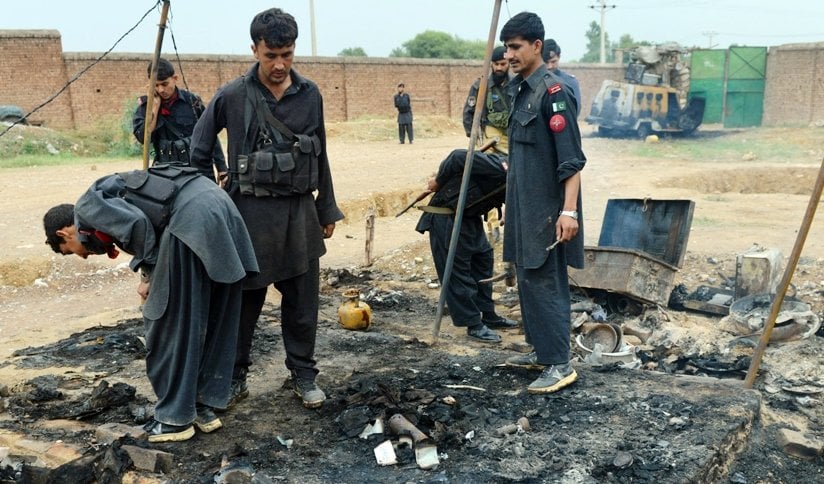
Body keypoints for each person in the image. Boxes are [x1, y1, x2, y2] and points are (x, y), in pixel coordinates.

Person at [188, 8, 344, 410]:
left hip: (298, 214)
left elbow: (320, 152)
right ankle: (235, 376)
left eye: (287, 54)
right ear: (254, 48)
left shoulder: (309, 94)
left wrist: (326, 209)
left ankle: (304, 375)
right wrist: (212, 209)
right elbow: (199, 152)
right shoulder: (232, 95)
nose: (279, 64)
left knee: (303, 304)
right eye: (271, 54)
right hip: (248, 217)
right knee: (241, 306)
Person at [42, 165, 259, 443]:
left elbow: (139, 228)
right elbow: (145, 224)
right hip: (219, 206)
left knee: (168, 322)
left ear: (64, 234)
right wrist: (149, 273)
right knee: (213, 313)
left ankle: (174, 419)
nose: (83, 257)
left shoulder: (87, 207)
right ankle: (203, 405)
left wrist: (151, 277)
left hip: (191, 217)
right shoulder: (105, 195)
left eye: (72, 252)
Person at [498, 12, 586, 394]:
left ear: (537, 46)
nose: (509, 54)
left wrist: (568, 211)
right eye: (506, 47)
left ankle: (560, 363)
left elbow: (572, 160)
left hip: (548, 209)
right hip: (523, 206)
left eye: (516, 46)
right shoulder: (521, 90)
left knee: (546, 281)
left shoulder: (553, 93)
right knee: (528, 279)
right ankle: (541, 351)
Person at [415, 149, 519, 343]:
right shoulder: (500, 167)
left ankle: (488, 315)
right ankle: (473, 325)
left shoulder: (522, 176)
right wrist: (437, 182)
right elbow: (457, 157)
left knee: (483, 260)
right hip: (447, 217)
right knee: (458, 271)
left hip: (470, 218)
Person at [132, 58, 225, 171]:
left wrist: (222, 168)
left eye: (164, 84)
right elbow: (143, 138)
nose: (161, 90)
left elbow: (209, 134)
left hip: (196, 168)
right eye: (156, 85)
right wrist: (154, 108)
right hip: (165, 170)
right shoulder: (146, 108)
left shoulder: (192, 101)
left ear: (175, 79)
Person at [462, 45, 512, 153]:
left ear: (509, 64)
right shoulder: (480, 86)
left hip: (510, 140)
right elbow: (468, 113)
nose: (499, 68)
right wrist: (474, 137)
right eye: (496, 64)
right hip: (488, 140)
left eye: (503, 64)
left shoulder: (516, 85)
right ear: (491, 64)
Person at [542, 39, 582, 113]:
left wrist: (549, 108)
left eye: (553, 61)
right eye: (546, 62)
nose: (549, 66)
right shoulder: (534, 81)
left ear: (559, 57)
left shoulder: (570, 82)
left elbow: (575, 107)